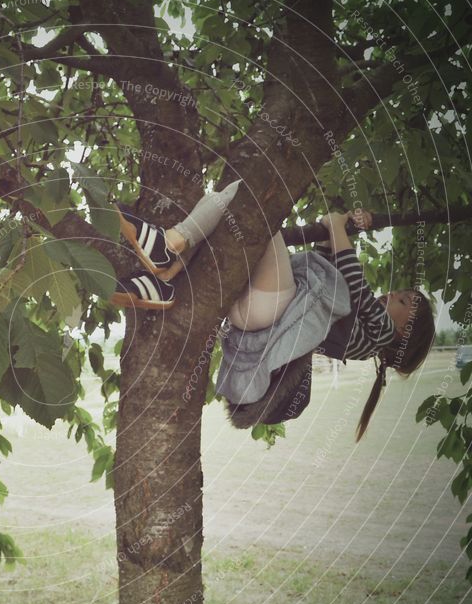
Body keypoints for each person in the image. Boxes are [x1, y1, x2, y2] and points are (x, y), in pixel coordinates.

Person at [110, 188, 435, 440]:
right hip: (254, 315)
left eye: (403, 303)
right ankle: (164, 280)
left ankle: (167, 246)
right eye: (401, 293)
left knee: (253, 205)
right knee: (226, 223)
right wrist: (333, 226)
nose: (393, 294)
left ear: (403, 333)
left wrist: (338, 227)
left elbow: (351, 274)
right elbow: (325, 271)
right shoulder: (359, 336)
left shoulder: (378, 336)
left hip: (275, 304)